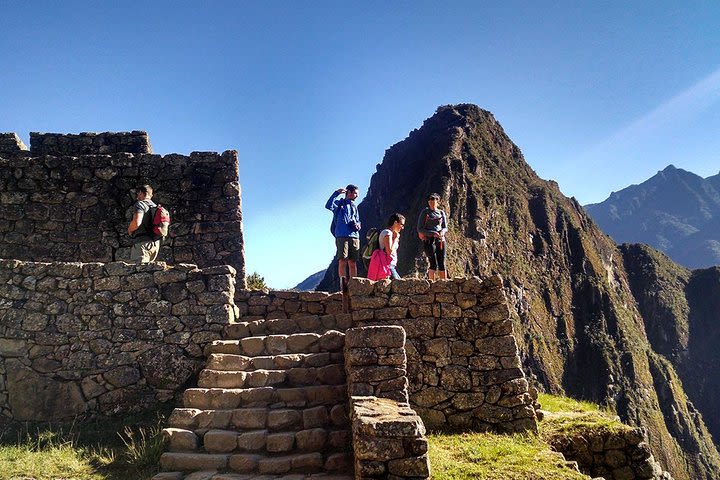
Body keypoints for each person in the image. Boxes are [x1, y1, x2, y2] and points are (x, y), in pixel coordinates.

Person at [325, 184, 361, 286]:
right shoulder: (339, 204)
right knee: (343, 260)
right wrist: (336, 193)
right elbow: (328, 205)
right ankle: (343, 285)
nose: (357, 196)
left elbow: (358, 220)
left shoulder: (355, 207)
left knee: (353, 262)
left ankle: (354, 285)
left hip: (354, 236)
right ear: (348, 192)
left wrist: (358, 225)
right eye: (355, 193)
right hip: (341, 235)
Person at [417, 193, 448, 281]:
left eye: (434, 199)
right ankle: (432, 285)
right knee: (433, 263)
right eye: (430, 199)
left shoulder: (441, 213)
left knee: (441, 262)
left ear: (438, 201)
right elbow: (420, 228)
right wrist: (433, 233)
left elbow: (445, 227)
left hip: (440, 240)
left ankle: (444, 284)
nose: (431, 201)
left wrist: (442, 231)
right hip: (429, 240)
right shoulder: (425, 212)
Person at [127, 184, 161, 263]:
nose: (137, 196)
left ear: (141, 193)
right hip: (155, 244)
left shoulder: (140, 204)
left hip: (142, 243)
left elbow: (137, 222)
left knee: (139, 272)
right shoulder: (156, 207)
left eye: (138, 194)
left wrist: (129, 230)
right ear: (151, 195)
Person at [378, 213, 405, 279]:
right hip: (388, 266)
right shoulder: (387, 233)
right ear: (395, 222)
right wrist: (395, 239)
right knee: (399, 285)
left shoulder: (390, 234)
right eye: (401, 224)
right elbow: (389, 251)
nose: (402, 227)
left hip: (390, 266)